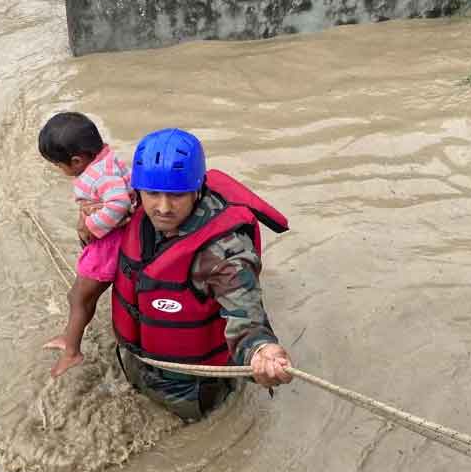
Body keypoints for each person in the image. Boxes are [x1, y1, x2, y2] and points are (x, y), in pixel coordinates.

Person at [111, 128, 294, 422]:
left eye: (177, 195)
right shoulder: (133, 210)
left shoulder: (225, 252)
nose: (163, 207)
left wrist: (261, 352)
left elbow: (247, 316)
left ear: (197, 189)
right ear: (138, 190)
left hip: (187, 389)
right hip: (135, 358)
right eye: (153, 194)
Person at [38, 112, 134, 377]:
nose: (61, 171)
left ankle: (72, 352)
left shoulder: (101, 174)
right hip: (110, 241)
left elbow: (119, 204)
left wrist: (90, 227)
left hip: (109, 246)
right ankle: (70, 338)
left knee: (80, 297)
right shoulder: (105, 159)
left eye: (60, 166)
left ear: (77, 160)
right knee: (78, 296)